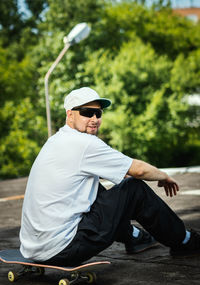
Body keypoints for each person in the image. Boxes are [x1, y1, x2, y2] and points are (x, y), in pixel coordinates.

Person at [20, 87, 200, 266]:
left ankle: (135, 237)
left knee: (95, 189)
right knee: (133, 188)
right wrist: (163, 176)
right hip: (65, 248)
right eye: (87, 112)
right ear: (70, 114)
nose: (94, 119)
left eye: (98, 113)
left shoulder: (54, 141)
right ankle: (184, 241)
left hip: (34, 248)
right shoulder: (84, 143)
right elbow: (138, 170)